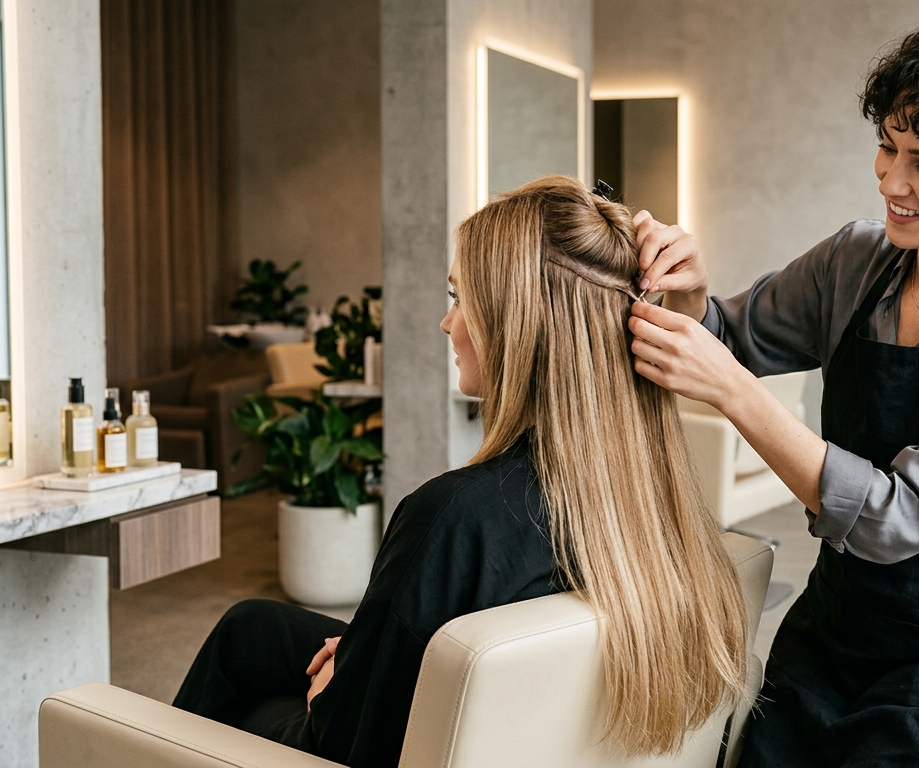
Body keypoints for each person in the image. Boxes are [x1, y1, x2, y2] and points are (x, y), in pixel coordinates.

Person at [625, 16, 919, 767]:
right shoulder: (855, 260)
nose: (891, 181)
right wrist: (690, 293)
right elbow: (729, 337)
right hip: (836, 631)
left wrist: (734, 393)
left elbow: (894, 518)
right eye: (888, 146)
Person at [173, 176, 751, 766]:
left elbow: (346, 743)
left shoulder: (453, 518)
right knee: (251, 629)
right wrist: (364, 653)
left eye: (459, 299)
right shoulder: (656, 504)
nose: (447, 324)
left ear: (515, 324)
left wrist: (329, 696)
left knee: (249, 694)